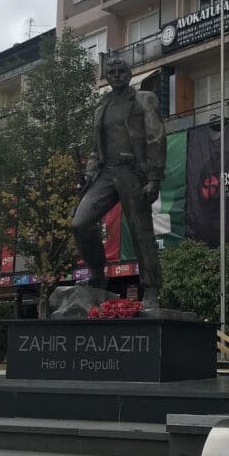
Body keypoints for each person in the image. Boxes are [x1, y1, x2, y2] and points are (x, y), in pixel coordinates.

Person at [72, 56, 166, 308]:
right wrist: (89, 174)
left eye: (120, 70)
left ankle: (151, 290)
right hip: (105, 174)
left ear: (129, 73)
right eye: (111, 71)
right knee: (80, 223)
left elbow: (156, 137)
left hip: (133, 172)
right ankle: (97, 274)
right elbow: (96, 149)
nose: (115, 74)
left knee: (140, 230)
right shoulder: (102, 106)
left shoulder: (144, 100)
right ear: (106, 76)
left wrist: (154, 178)